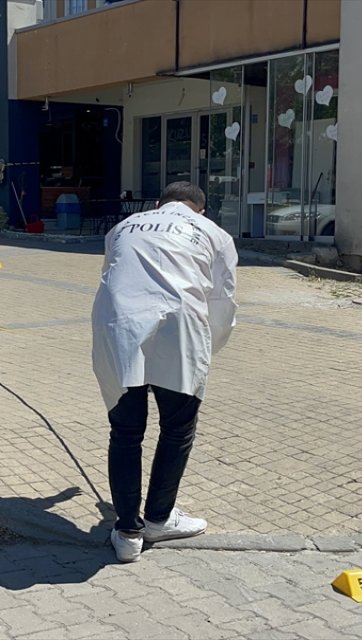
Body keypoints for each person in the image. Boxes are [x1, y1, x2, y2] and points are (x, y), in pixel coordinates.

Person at [91, 181, 238, 563]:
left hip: (118, 327)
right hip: (181, 329)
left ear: (158, 204)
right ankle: (158, 519)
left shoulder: (123, 226)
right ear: (200, 210)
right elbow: (222, 303)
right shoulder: (214, 234)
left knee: (125, 431)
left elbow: (115, 276)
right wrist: (207, 352)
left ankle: (126, 532)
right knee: (177, 428)